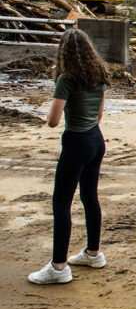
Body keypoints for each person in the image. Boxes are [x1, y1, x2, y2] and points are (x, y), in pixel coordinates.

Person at [28, 29, 110, 284]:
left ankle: (59, 267)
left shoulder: (67, 79)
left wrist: (51, 112)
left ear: (64, 52)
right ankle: (93, 253)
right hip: (96, 140)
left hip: (76, 141)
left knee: (61, 203)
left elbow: (53, 121)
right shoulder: (99, 75)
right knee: (89, 197)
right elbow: (98, 115)